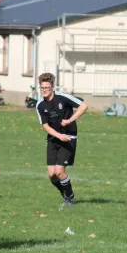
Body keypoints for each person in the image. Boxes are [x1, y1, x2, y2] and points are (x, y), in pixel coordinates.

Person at [35, 73, 88, 206]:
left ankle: (70, 197)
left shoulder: (63, 98)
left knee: (59, 171)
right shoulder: (40, 105)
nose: (44, 90)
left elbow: (83, 106)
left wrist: (70, 120)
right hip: (53, 139)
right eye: (42, 88)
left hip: (69, 138)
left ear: (52, 87)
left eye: (47, 87)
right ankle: (64, 193)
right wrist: (58, 136)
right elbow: (45, 126)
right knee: (52, 175)